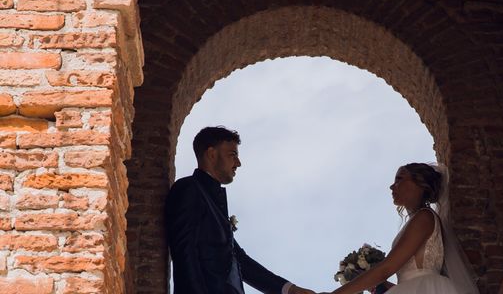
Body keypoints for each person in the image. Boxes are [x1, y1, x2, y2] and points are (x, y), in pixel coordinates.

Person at [165, 126, 315, 294]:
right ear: (211, 154)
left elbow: (239, 260)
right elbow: (185, 255)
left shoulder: (213, 202)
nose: (238, 163)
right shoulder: (189, 189)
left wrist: (289, 289)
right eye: (233, 155)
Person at [328, 163, 479, 294]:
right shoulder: (418, 219)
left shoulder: (424, 218)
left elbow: (386, 269)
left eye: (399, 179)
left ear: (420, 183)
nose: (392, 186)